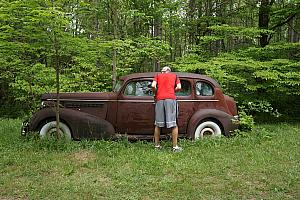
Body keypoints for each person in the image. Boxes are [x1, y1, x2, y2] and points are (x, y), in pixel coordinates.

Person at [151, 66, 182, 152]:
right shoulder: (174, 76)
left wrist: (156, 93)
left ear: (164, 71)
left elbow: (153, 85)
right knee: (173, 123)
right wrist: (172, 91)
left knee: (158, 124)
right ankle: (175, 147)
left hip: (159, 99)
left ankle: (157, 146)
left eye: (162, 71)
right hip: (171, 99)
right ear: (169, 71)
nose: (161, 72)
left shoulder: (157, 75)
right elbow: (179, 87)